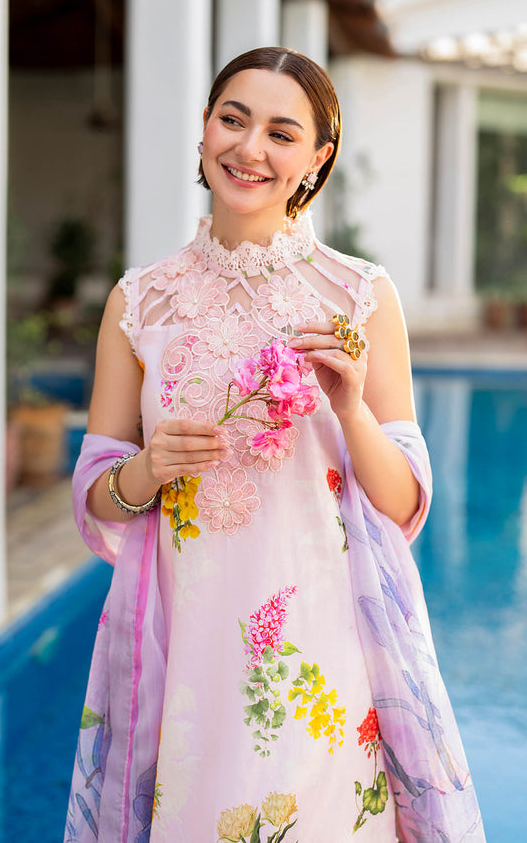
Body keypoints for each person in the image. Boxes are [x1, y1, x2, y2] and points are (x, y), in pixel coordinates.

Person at [64, 47, 485, 843]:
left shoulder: (358, 297)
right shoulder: (140, 302)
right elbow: (95, 492)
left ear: (317, 158)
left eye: (281, 133)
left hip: (321, 657)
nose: (249, 148)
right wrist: (145, 471)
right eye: (233, 119)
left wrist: (350, 410)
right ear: (203, 128)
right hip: (186, 656)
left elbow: (403, 500)